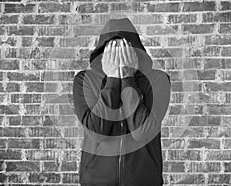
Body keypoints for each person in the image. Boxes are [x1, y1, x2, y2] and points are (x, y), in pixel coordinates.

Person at [73, 18, 171, 186]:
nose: (119, 54)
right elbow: (97, 132)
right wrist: (112, 79)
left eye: (124, 48)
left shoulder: (158, 79)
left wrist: (127, 79)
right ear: (103, 51)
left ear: (135, 50)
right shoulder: (85, 80)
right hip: (96, 180)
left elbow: (142, 132)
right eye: (112, 49)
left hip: (143, 180)